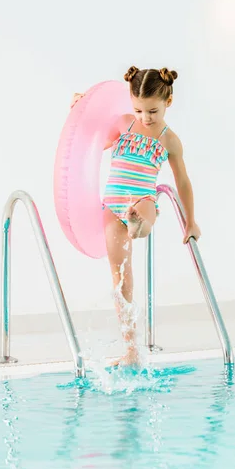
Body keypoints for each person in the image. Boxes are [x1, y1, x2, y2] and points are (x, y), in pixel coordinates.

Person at [71, 66, 201, 366]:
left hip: (142, 200)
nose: (146, 117)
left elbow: (182, 182)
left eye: (153, 110)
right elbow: (93, 140)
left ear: (169, 101)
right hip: (113, 205)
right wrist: (80, 109)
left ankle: (138, 225)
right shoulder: (124, 124)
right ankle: (131, 350)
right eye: (139, 110)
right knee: (121, 280)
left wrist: (191, 220)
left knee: (142, 216)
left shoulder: (170, 140)